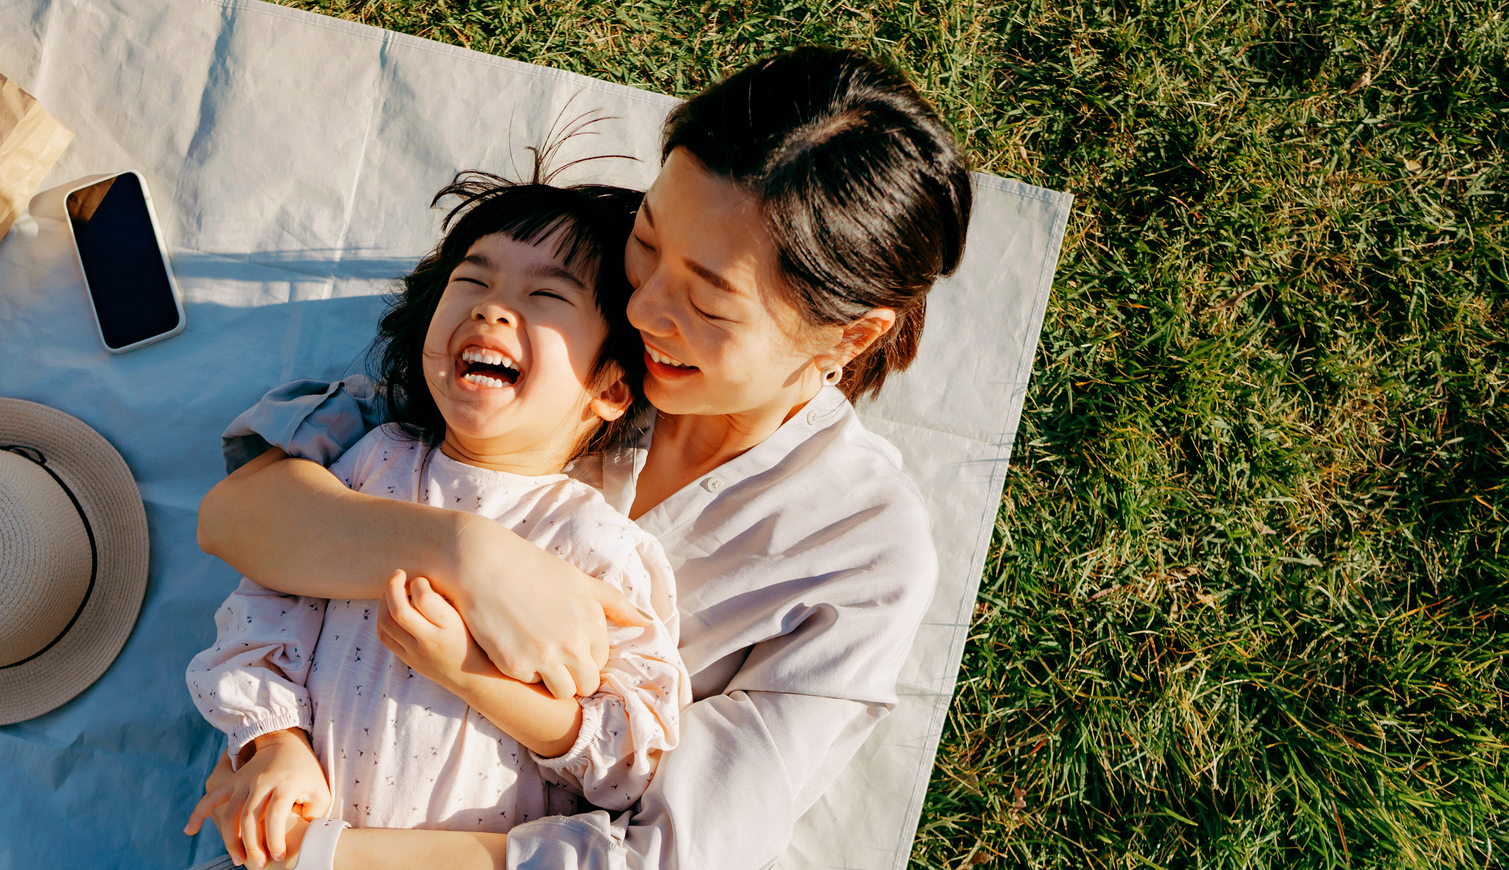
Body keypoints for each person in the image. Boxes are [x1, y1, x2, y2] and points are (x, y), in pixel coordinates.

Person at [195, 45, 972, 870]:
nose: (642, 304)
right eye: (647, 238)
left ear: (849, 335)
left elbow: (670, 854)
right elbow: (242, 517)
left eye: (707, 300)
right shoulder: (564, 309)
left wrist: (327, 853)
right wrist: (469, 556)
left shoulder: (858, 558)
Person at [183, 162, 691, 869]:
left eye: (544, 294)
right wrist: (274, 745)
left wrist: (470, 673)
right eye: (472, 282)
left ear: (610, 385)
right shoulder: (370, 464)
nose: (490, 310)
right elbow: (263, 614)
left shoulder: (597, 545)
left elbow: (626, 758)